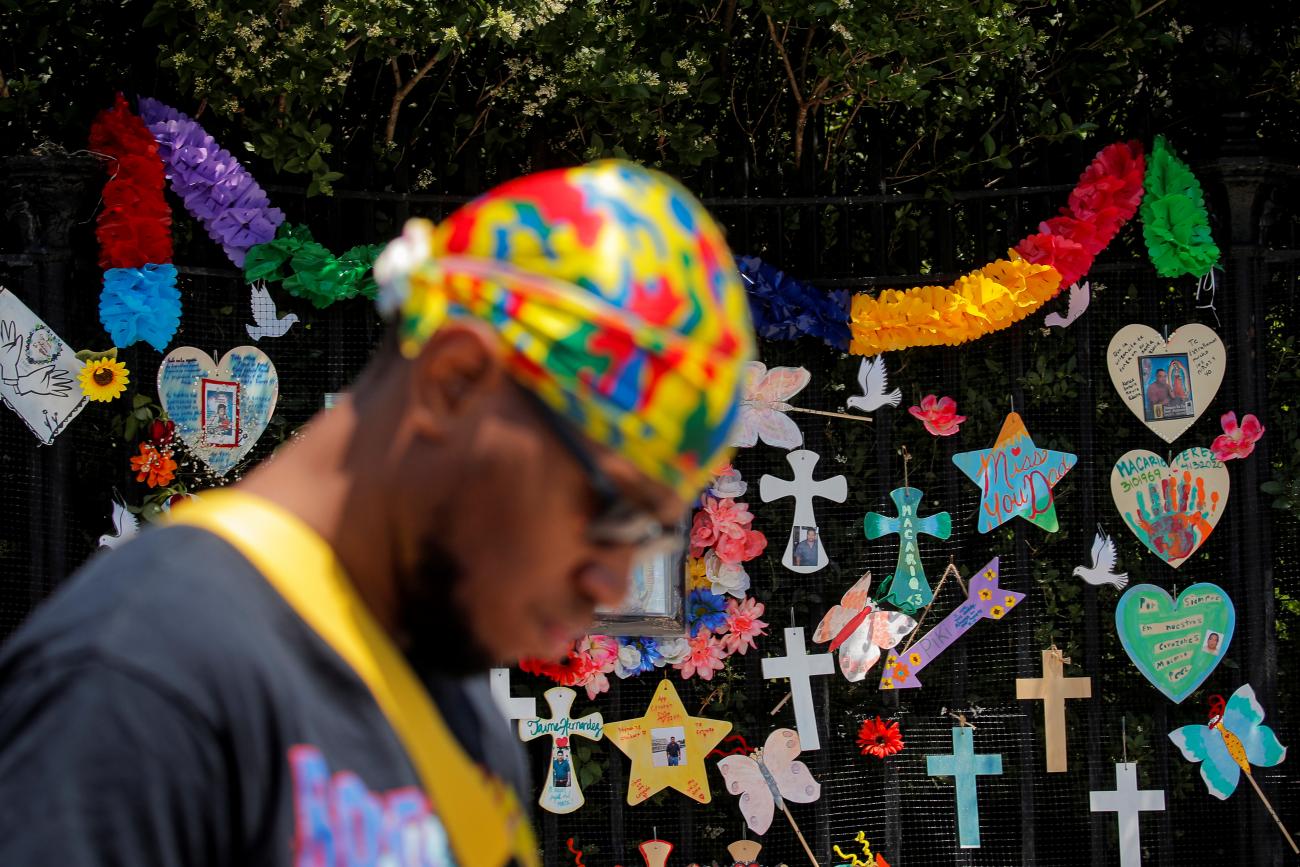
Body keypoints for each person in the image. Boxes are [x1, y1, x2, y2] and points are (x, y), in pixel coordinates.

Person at [0, 161, 755, 867]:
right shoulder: (141, 684)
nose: (612, 577)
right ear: (455, 382)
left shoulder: (455, 705)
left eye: (651, 529)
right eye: (610, 507)